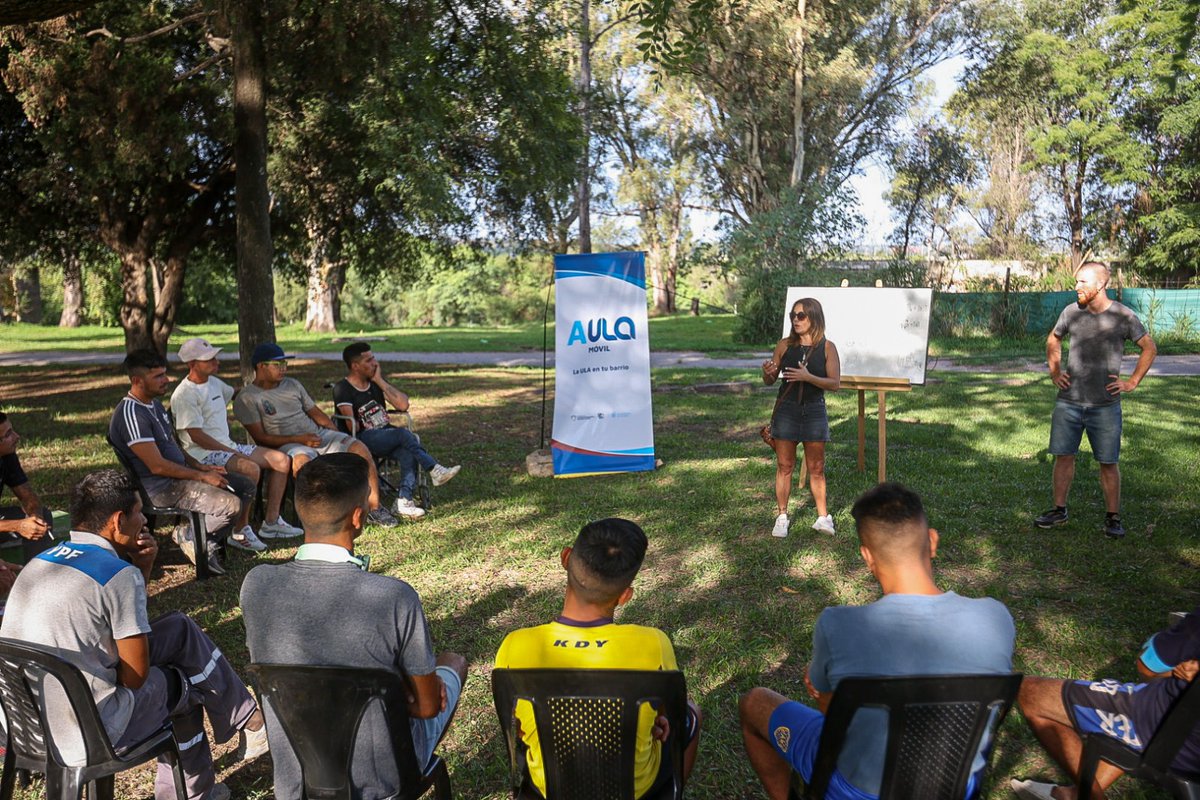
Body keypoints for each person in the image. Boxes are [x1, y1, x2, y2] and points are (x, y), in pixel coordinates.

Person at [0, 469, 270, 800]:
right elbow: (134, 677)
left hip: (23, 723)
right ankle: (193, 791)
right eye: (139, 511)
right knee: (183, 684)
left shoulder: (40, 562)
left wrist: (143, 567)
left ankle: (249, 721)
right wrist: (133, 573)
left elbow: (119, 626)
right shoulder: (116, 575)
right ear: (117, 520)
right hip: (87, 729)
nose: (144, 520)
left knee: (179, 629)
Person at [739, 482, 1015, 800]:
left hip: (855, 790)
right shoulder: (996, 618)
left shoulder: (837, 625)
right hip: (953, 788)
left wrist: (818, 691)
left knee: (755, 702)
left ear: (867, 557)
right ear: (933, 541)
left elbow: (834, 720)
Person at [240, 453, 467, 800]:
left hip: (296, 777)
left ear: (301, 511)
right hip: (384, 779)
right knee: (453, 663)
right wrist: (385, 696)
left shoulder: (255, 585)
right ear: (358, 518)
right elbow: (425, 707)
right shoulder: (394, 598)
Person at [494, 518, 702, 799]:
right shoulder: (654, 643)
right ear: (625, 596)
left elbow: (515, 729)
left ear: (566, 557)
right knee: (692, 713)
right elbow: (666, 715)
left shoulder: (514, 645)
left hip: (548, 789)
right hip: (635, 790)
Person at [1011, 608, 1200, 800]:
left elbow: (1148, 667)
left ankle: (1090, 797)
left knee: (1030, 693)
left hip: (1173, 736)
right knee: (1118, 711)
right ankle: (1074, 795)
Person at [1035, 261, 1156, 539]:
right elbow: (1053, 340)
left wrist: (1132, 381)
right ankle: (1059, 510)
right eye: (1076, 282)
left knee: (1108, 461)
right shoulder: (1071, 312)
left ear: (1101, 285)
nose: (1076, 287)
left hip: (1106, 404)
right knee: (1063, 456)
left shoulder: (1123, 316)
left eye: (1082, 282)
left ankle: (1113, 517)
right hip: (1069, 401)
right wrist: (1055, 372)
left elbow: (1149, 347)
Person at [110, 349, 256, 575]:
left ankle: (198, 536)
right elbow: (156, 466)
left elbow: (173, 447)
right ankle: (191, 535)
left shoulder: (155, 405)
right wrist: (201, 476)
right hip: (159, 488)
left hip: (180, 476)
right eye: (158, 376)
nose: (166, 380)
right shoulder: (131, 413)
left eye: (164, 374)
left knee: (244, 486)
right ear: (137, 380)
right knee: (231, 504)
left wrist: (199, 466)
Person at [233, 342, 397, 526]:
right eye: (277, 364)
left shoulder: (293, 385)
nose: (283, 369)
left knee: (359, 448)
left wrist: (337, 435)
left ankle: (375, 508)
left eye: (285, 364)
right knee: (304, 463)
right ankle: (320, 516)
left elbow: (316, 414)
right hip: (285, 443)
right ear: (261, 366)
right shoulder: (247, 398)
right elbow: (261, 438)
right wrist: (299, 439)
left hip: (317, 435)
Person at [170, 337, 303, 549]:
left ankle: (271, 522)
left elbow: (236, 394)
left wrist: (263, 390)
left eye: (215, 357)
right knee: (250, 468)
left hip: (227, 446)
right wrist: (231, 451)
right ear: (192, 364)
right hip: (202, 454)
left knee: (282, 460)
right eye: (209, 359)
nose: (216, 362)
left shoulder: (214, 383)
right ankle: (240, 531)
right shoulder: (184, 394)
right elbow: (196, 436)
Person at [332, 342, 461, 519]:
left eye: (374, 358)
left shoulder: (375, 383)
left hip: (386, 435)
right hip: (361, 438)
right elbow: (350, 426)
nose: (375, 363)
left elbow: (403, 404)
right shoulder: (343, 389)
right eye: (369, 360)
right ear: (355, 366)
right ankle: (433, 468)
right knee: (403, 435)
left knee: (408, 452)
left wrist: (379, 381)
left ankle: (404, 500)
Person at [761, 297, 842, 538]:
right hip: (787, 410)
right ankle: (782, 516)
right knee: (785, 466)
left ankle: (822, 518)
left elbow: (834, 383)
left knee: (816, 467)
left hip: (814, 410)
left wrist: (808, 377)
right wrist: (767, 372)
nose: (796, 320)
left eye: (801, 315)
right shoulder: (784, 345)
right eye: (793, 316)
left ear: (814, 318)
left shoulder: (828, 348)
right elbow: (770, 379)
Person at [0, 410, 55, 562]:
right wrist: (17, 525)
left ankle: (39, 576)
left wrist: (35, 518)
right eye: (8, 434)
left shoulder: (6, 456)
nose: (17, 437)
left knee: (43, 516)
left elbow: (28, 495)